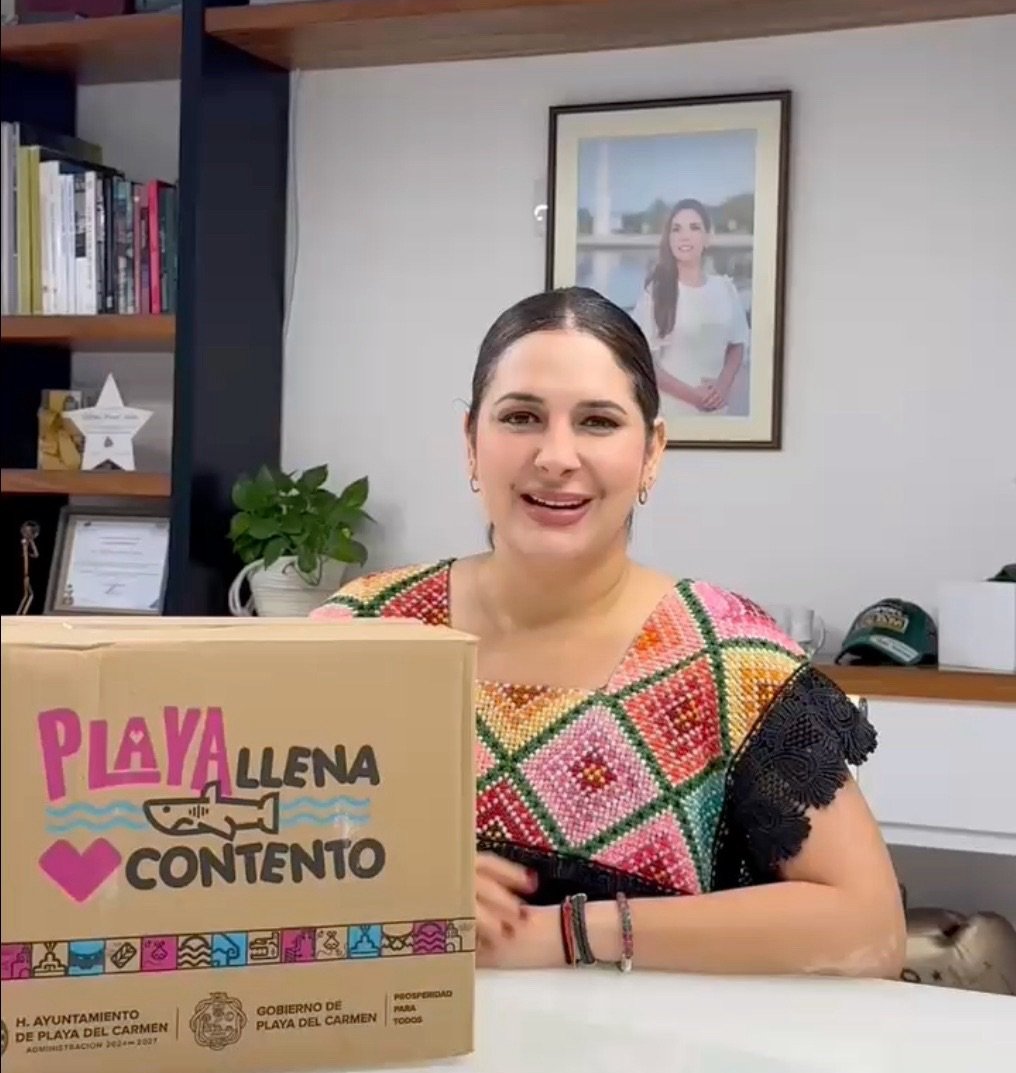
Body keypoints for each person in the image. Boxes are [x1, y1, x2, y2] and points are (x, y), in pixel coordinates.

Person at [314, 287, 905, 978]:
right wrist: (391, 871)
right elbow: (236, 852)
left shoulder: (727, 660)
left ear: (652, 452)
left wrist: (564, 932)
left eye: (598, 421)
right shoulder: (363, 633)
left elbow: (870, 927)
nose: (556, 455)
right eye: (521, 417)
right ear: (471, 441)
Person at [632, 199, 749, 416]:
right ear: (669, 239)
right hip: (673, 411)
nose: (684, 236)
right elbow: (642, 360)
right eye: (677, 229)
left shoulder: (725, 288)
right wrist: (694, 396)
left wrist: (723, 386)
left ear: (707, 238)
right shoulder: (656, 292)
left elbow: (737, 345)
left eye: (694, 228)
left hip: (717, 409)